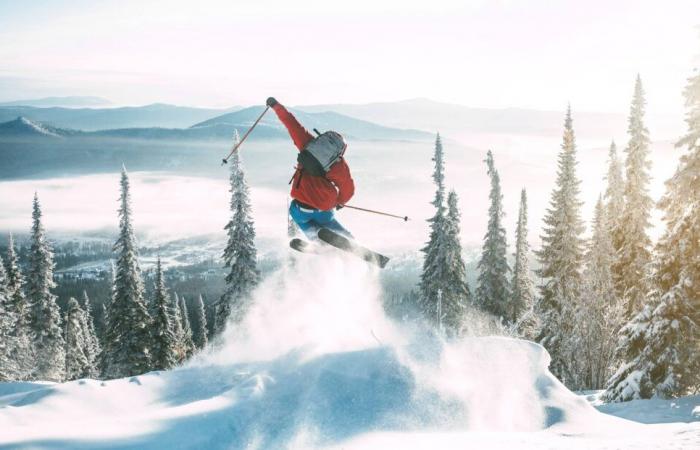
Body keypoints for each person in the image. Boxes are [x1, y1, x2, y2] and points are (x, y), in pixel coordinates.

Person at [266, 96, 355, 239]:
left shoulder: (307, 144)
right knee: (329, 220)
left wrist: (275, 105)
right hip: (324, 208)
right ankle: (349, 239)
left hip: (301, 209)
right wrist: (340, 202)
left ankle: (315, 240)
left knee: (296, 214)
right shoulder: (339, 165)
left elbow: (291, 123)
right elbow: (348, 189)